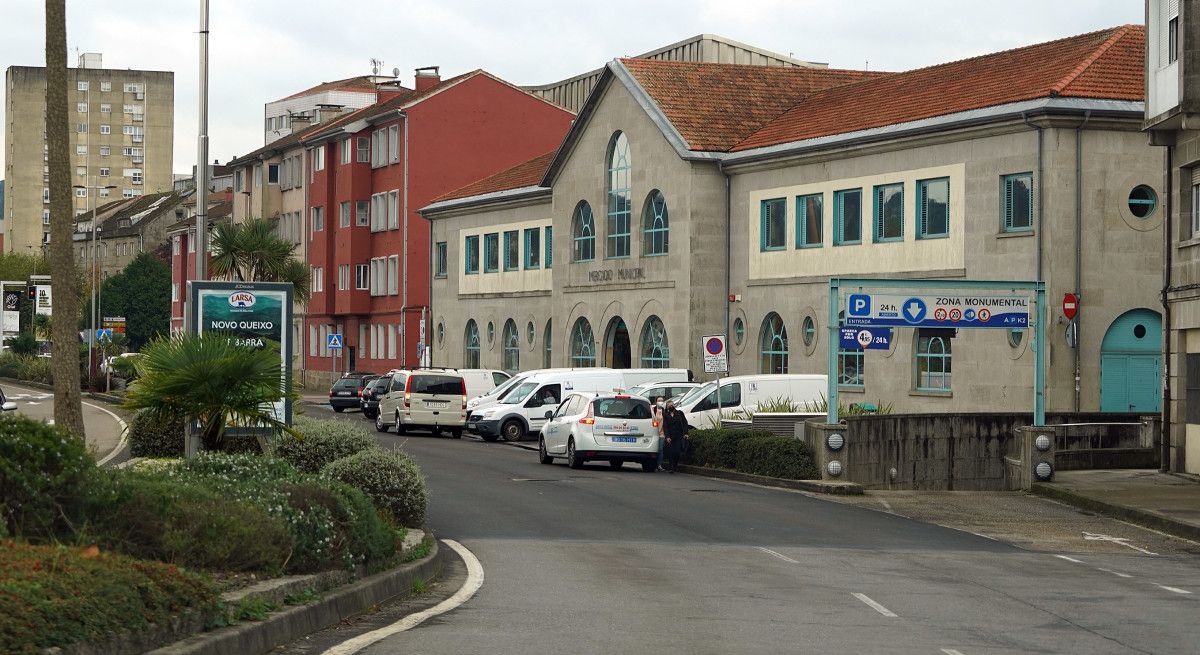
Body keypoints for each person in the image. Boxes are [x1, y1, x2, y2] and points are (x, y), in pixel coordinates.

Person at [661, 399, 689, 473]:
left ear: (674, 405)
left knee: (677, 452)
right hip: (670, 437)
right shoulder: (666, 415)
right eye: (669, 406)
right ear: (667, 407)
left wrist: (686, 433)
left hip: (678, 436)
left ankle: (675, 465)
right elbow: (665, 427)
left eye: (672, 405)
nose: (671, 406)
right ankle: (671, 467)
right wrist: (667, 437)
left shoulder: (680, 413)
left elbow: (685, 423)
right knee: (671, 452)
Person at [652, 396, 666, 470]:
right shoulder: (653, 409)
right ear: (656, 401)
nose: (660, 401)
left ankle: (659, 465)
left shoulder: (664, 411)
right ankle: (654, 465)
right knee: (654, 449)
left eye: (662, 400)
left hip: (662, 433)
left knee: (660, 449)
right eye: (659, 400)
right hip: (654, 433)